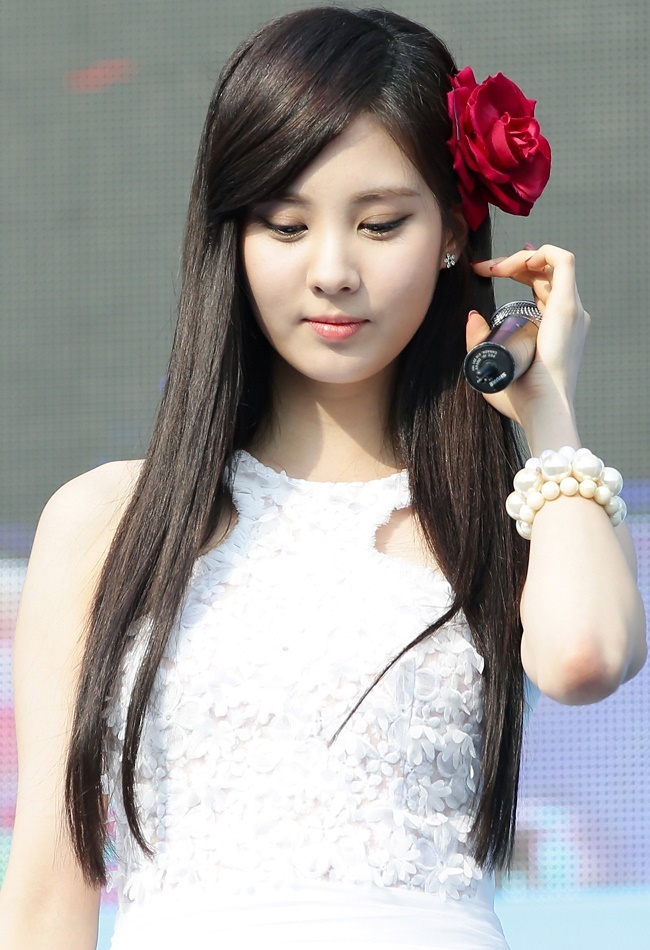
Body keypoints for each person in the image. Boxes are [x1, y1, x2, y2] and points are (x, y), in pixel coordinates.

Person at [0, 6, 646, 949]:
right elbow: (48, 890)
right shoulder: (107, 519)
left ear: (455, 230)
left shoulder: (533, 512)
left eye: (381, 224)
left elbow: (584, 658)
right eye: (286, 224)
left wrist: (548, 414)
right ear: (235, 235)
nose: (333, 270)